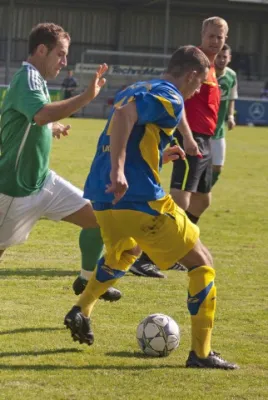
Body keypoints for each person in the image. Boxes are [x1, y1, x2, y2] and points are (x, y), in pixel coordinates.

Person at [64, 45, 238, 370]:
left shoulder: (136, 88)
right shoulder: (170, 96)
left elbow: (127, 131)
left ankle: (81, 309)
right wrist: (119, 170)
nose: (196, 91)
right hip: (137, 197)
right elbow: (123, 116)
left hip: (104, 198)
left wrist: (158, 156)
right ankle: (201, 355)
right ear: (191, 75)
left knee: (124, 252)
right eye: (198, 85)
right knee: (202, 263)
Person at [0, 22, 120, 302]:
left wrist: (49, 129)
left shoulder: (36, 80)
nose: (65, 61)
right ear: (42, 50)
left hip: (42, 182)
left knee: (97, 219)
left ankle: (86, 280)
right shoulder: (27, 77)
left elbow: (29, 121)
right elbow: (40, 114)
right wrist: (86, 97)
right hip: (14, 192)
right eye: (61, 54)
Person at [132, 16, 228, 275]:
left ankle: (177, 247)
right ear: (202, 34)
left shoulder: (212, 69)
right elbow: (179, 101)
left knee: (201, 201)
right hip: (192, 136)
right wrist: (186, 137)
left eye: (220, 37)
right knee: (180, 199)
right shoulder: (195, 65)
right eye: (211, 35)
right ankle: (144, 257)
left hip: (206, 139)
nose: (215, 41)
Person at [211, 44, 238, 186]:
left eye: (224, 57)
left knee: (217, 167)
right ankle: (197, 194)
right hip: (202, 129)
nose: (221, 60)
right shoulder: (207, 73)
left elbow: (231, 98)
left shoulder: (231, 75)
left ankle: (203, 191)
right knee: (197, 167)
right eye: (219, 56)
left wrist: (231, 117)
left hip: (219, 130)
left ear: (229, 58)